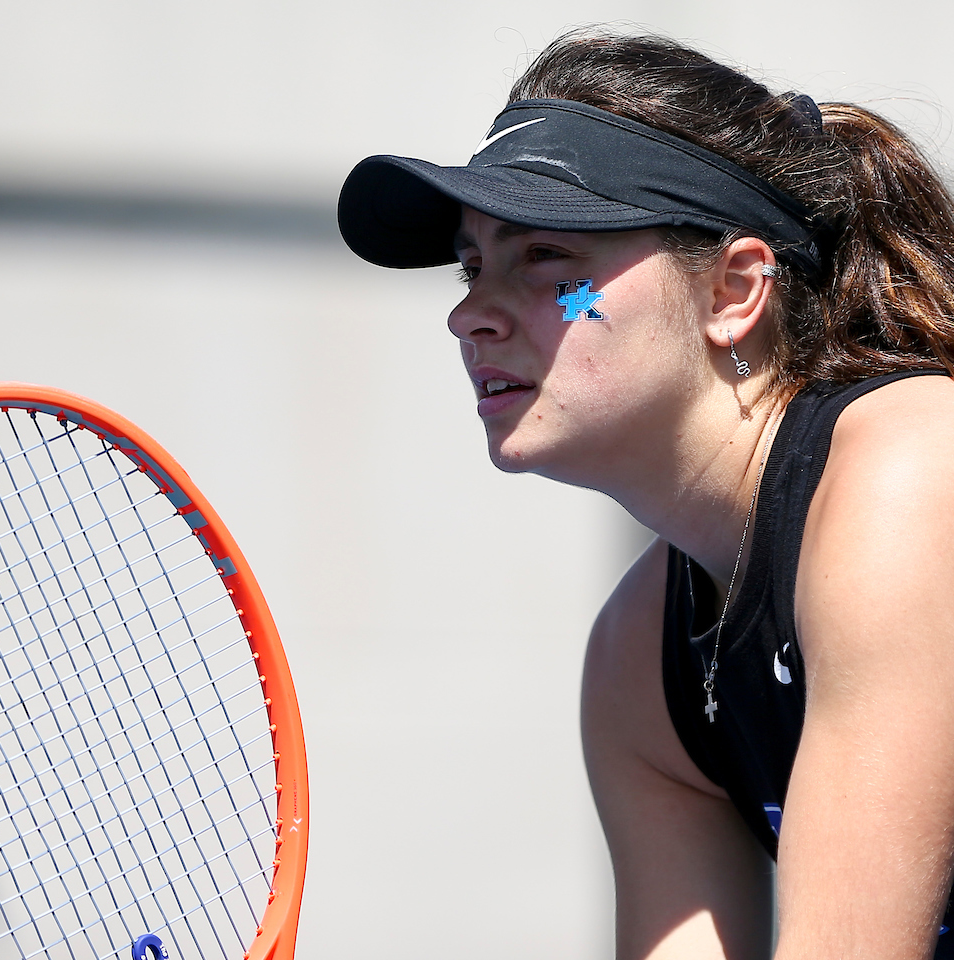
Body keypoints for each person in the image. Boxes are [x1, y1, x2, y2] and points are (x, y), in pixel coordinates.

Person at [337, 28, 954, 960]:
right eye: (472, 266)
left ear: (736, 289)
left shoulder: (914, 465)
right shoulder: (637, 663)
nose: (470, 312)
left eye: (547, 258)